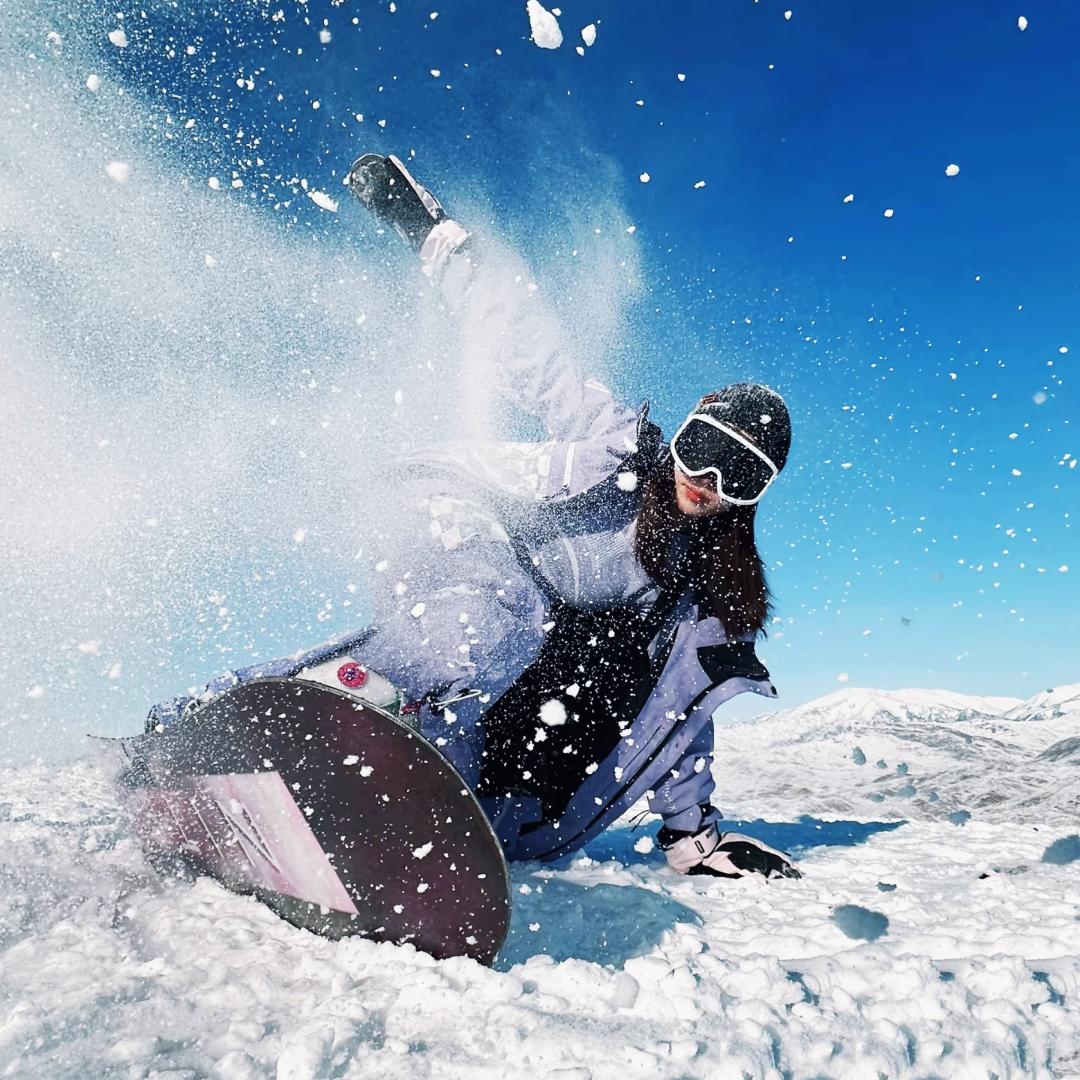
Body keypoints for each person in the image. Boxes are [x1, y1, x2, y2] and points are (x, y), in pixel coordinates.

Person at [149, 154, 800, 882]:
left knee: (510, 691)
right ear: (681, 432)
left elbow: (685, 711)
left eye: (737, 474)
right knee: (496, 623)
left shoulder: (703, 601)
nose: (705, 481)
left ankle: (403, 798)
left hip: (507, 673)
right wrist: (433, 237)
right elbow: (533, 352)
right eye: (701, 449)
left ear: (754, 497)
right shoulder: (616, 444)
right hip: (468, 533)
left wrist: (692, 837)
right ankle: (231, 722)